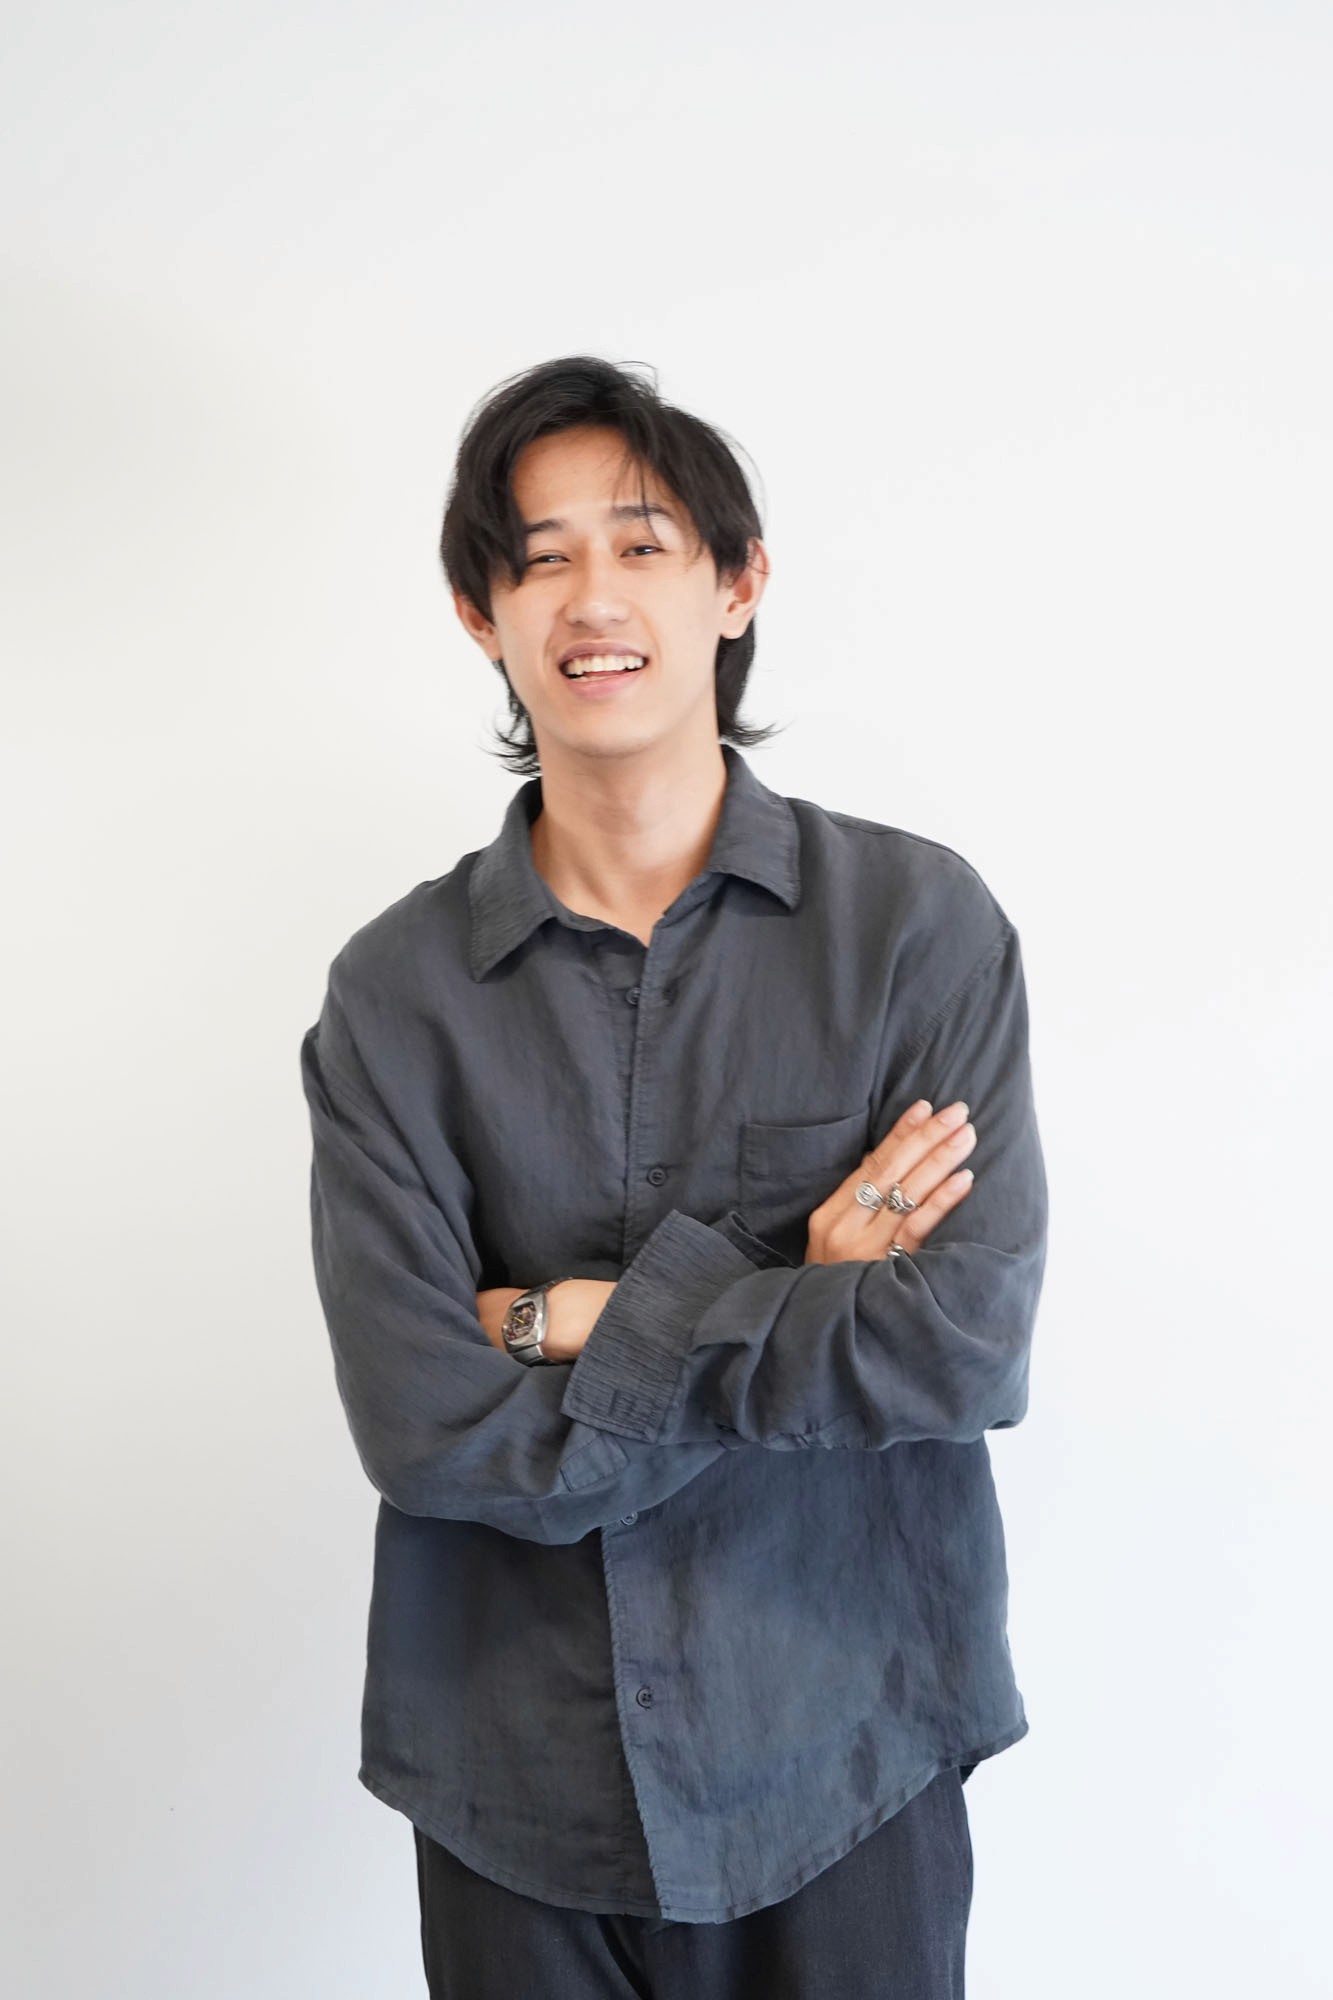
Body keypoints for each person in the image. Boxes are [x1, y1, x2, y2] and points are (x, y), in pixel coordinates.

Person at [299, 356, 1049, 1998]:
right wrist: (794, 1294)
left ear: (737, 581)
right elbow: (426, 1426)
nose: (592, 596)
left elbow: (961, 1346)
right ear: (480, 614)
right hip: (510, 1777)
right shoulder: (396, 998)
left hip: (847, 1745)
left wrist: (577, 1317)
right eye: (540, 558)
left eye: (640, 544)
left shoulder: (913, 932)